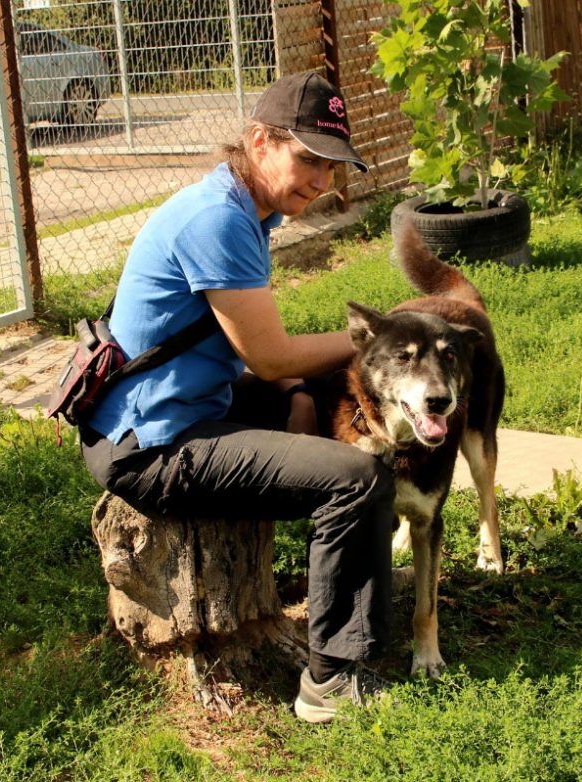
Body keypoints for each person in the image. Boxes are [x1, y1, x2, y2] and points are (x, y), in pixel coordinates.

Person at [79, 71, 395, 723]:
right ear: (259, 141)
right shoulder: (219, 219)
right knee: (357, 479)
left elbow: (246, 346)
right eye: (308, 159)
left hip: (178, 413)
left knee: (321, 392)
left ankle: (345, 555)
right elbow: (270, 352)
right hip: (150, 449)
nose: (321, 181)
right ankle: (329, 684)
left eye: (333, 166)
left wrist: (294, 393)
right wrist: (372, 337)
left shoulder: (246, 207)